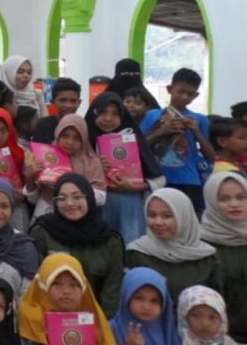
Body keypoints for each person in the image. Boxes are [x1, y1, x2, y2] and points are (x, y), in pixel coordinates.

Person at [29, 175, 124, 317]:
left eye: (77, 197)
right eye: (62, 198)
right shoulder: (42, 233)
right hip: (49, 318)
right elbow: (36, 286)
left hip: (94, 319)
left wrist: (103, 326)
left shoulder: (109, 241)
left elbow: (111, 295)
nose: (69, 203)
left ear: (89, 198)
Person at [84, 90, 162, 241]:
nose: (108, 118)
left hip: (129, 206)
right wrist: (94, 168)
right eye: (103, 112)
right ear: (94, 113)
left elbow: (158, 180)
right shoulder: (83, 141)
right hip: (96, 207)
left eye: (115, 114)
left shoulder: (134, 139)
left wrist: (133, 187)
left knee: (129, 242)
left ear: (122, 116)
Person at [141, 68, 215, 215]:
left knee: (188, 220)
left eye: (190, 94)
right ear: (170, 89)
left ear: (196, 95)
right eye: (181, 91)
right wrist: (163, 131)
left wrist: (196, 131)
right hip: (157, 179)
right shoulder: (152, 115)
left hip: (189, 180)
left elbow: (211, 157)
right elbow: (139, 147)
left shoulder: (199, 119)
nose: (184, 97)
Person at [124, 188, 220, 302]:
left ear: (184, 217)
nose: (158, 222)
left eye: (167, 216)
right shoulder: (137, 253)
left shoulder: (207, 258)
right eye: (152, 215)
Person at [110, 267, 186, 345]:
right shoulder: (112, 330)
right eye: (139, 298)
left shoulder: (168, 334)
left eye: (154, 301)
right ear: (126, 296)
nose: (146, 307)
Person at [201, 172, 247, 341]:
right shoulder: (201, 246)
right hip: (219, 339)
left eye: (241, 197)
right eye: (224, 199)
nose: (234, 204)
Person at [31, 77, 81, 143]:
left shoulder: (81, 126)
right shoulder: (44, 125)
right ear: (53, 102)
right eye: (62, 100)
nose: (68, 105)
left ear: (79, 103)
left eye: (73, 101)